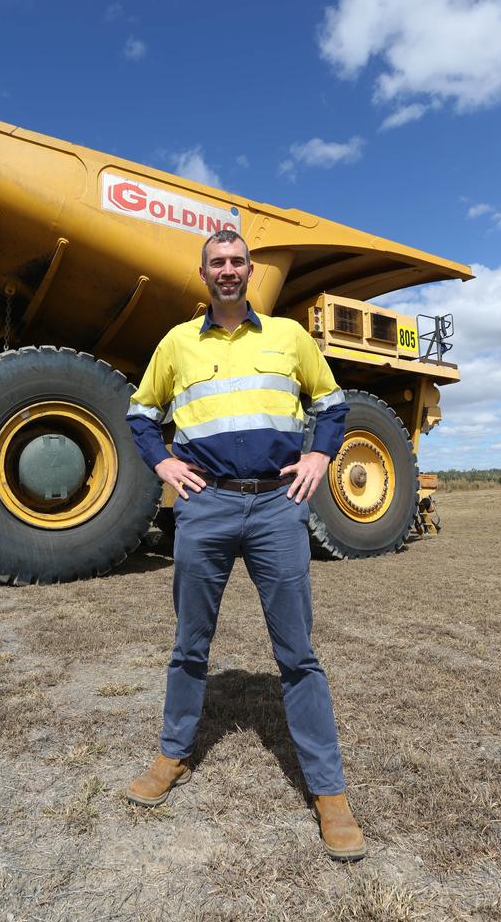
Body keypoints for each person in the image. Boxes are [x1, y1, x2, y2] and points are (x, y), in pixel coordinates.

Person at [124, 229, 366, 861]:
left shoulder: (289, 337)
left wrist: (319, 453)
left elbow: (333, 405)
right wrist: (163, 467)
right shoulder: (177, 342)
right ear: (203, 273)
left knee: (298, 652)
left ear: (249, 271)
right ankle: (172, 755)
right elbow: (141, 414)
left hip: (276, 507)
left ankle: (329, 792)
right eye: (217, 263)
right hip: (204, 505)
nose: (227, 271)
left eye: (236, 262)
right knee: (188, 643)